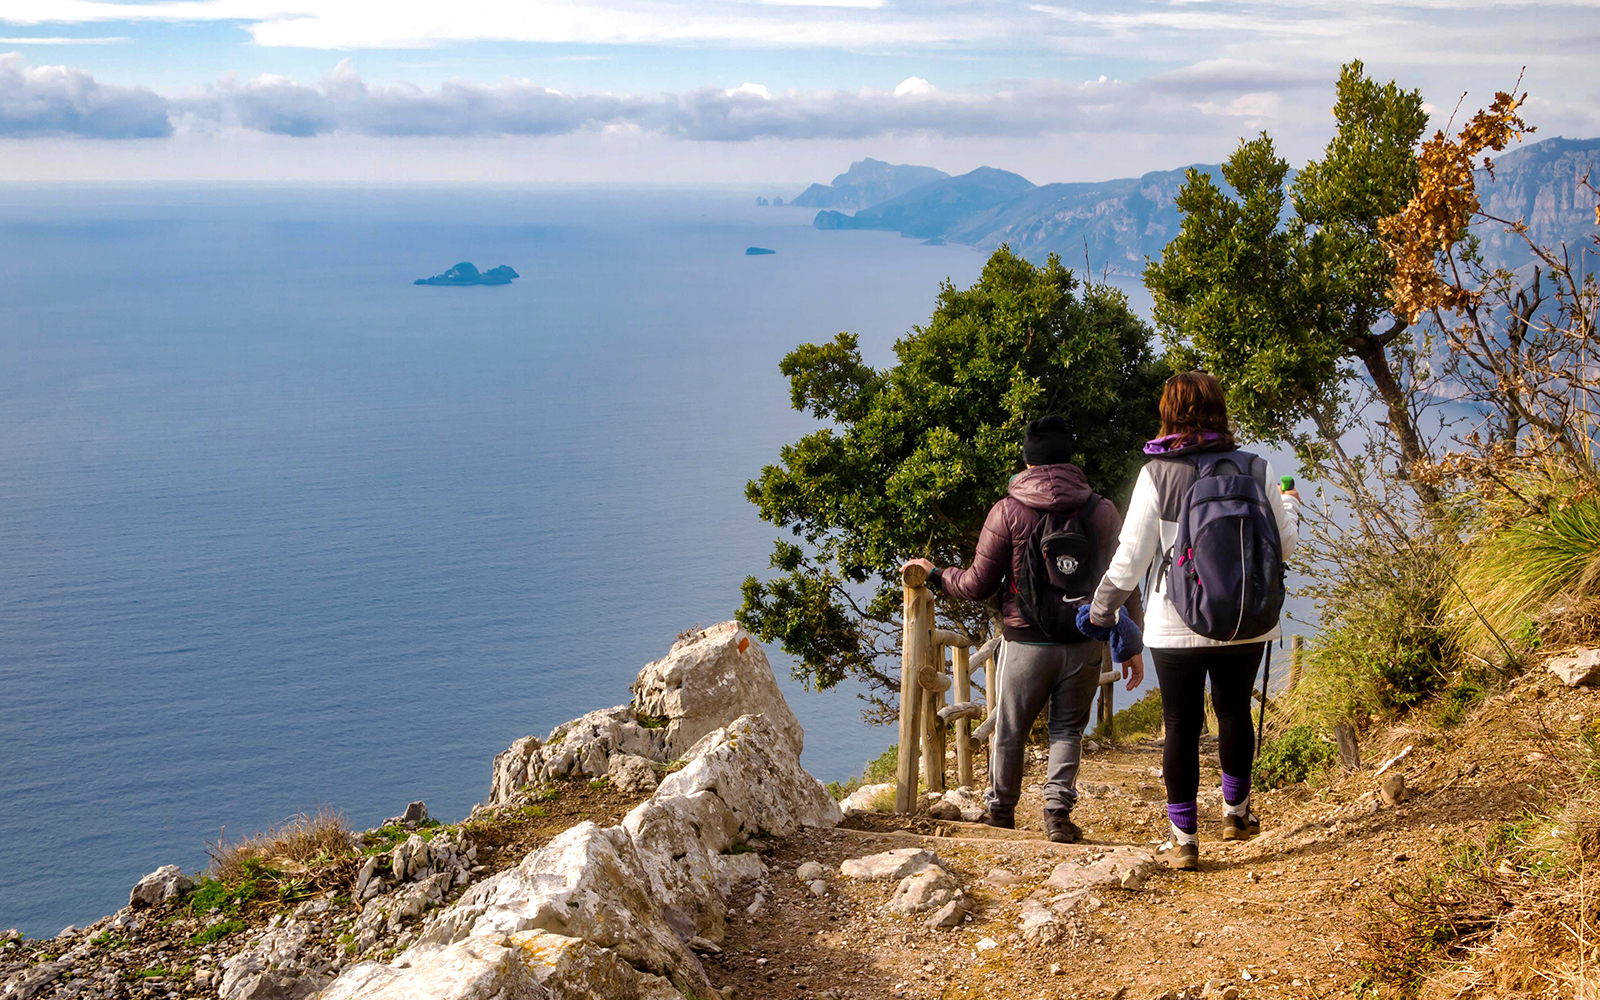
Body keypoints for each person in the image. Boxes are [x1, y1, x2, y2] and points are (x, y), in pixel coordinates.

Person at [1085, 371, 1300, 870]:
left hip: (1173, 622)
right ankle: (1236, 814)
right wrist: (1289, 505)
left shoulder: (1156, 475)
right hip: (1247, 620)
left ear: (1168, 414)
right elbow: (1285, 545)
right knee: (1233, 713)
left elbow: (1130, 558)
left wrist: (1102, 610)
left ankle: (1184, 840)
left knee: (1179, 725)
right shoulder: (1255, 467)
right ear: (1220, 409)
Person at [902, 415, 1143, 843]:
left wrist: (936, 573)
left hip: (1025, 641)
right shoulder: (1101, 509)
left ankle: (1001, 815)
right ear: (1069, 456)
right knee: (1068, 730)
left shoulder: (1008, 511)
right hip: (1084, 639)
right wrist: (1131, 641)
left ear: (1028, 459)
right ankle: (1056, 815)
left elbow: (976, 584)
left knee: (1010, 728)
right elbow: (1125, 580)